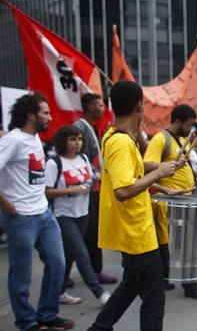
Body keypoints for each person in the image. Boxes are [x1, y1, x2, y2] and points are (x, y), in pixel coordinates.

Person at [88, 80, 177, 331]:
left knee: (130, 286)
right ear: (140, 105)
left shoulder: (115, 135)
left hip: (135, 230)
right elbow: (123, 190)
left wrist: (139, 124)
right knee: (153, 301)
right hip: (136, 234)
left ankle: (99, 327)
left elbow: (136, 168)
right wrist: (159, 172)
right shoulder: (121, 143)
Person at [0, 92, 74, 331]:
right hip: (20, 217)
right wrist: (2, 201)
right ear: (31, 115)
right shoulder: (13, 140)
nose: (50, 117)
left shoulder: (36, 139)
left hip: (44, 213)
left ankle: (47, 314)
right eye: (45, 113)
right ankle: (26, 322)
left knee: (58, 265)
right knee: (21, 277)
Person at [143, 104, 197, 299]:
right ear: (177, 121)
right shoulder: (161, 138)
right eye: (188, 124)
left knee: (180, 245)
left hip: (183, 200)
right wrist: (168, 165)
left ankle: (166, 278)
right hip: (169, 202)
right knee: (181, 246)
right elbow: (146, 164)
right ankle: (190, 285)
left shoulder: (181, 140)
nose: (190, 129)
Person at [44, 125, 111, 306]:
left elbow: (92, 175)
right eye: (73, 139)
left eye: (80, 139)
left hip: (83, 213)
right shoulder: (54, 163)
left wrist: (96, 175)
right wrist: (72, 189)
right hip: (63, 215)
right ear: (63, 141)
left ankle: (59, 291)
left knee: (69, 254)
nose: (78, 143)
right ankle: (99, 293)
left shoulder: (83, 158)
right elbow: (47, 191)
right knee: (81, 253)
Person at [73, 93, 119, 286]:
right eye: (100, 106)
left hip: (94, 187)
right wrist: (93, 175)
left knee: (89, 231)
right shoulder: (81, 128)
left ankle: (92, 270)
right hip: (87, 189)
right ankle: (94, 271)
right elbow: (79, 158)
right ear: (91, 107)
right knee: (88, 232)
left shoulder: (90, 128)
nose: (103, 109)